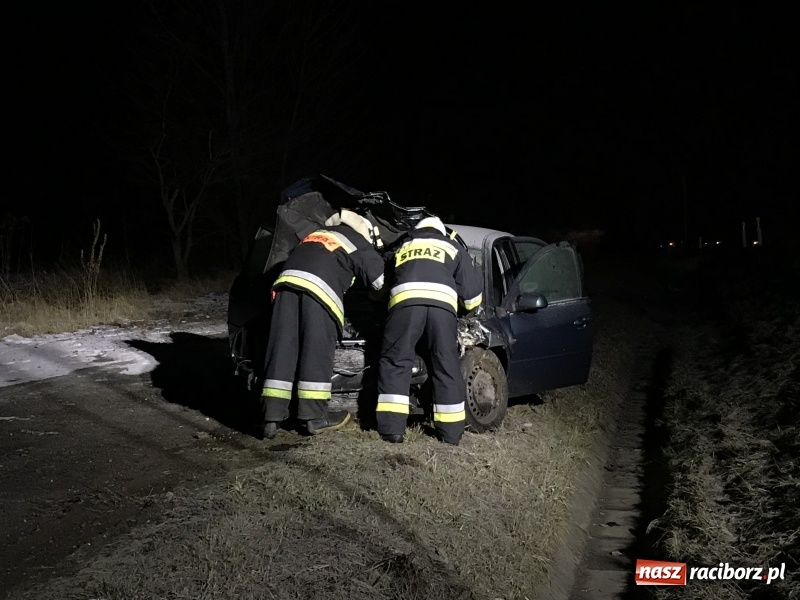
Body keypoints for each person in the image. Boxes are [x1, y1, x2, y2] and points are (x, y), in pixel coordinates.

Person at [261, 208, 385, 439]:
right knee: (315, 350)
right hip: (319, 290)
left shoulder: (316, 234)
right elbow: (380, 281)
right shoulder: (357, 239)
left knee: (282, 349)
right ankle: (314, 418)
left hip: (284, 287)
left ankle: (272, 417)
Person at [375, 216, 482, 445]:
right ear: (441, 230)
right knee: (445, 364)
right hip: (442, 311)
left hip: (404, 305)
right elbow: (473, 299)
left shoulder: (403, 245)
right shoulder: (452, 246)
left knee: (396, 361)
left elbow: (379, 287)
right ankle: (451, 433)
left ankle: (392, 430)